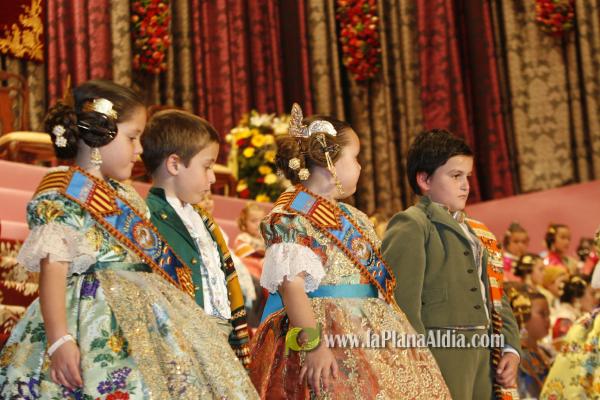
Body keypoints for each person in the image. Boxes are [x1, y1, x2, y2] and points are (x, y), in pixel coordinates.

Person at [0, 81, 257, 399]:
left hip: (147, 315)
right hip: (91, 317)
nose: (139, 150)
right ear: (99, 134)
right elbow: (53, 271)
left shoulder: (127, 195)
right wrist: (59, 339)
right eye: (132, 137)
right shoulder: (63, 192)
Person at [249, 104, 451, 399]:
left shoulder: (354, 216)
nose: (360, 167)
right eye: (355, 158)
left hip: (371, 332)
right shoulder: (292, 217)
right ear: (329, 162)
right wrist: (314, 346)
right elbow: (291, 287)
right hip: (327, 333)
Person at [382, 129, 521, 399]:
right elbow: (400, 304)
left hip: (485, 355)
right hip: (440, 355)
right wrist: (418, 361)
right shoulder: (413, 223)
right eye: (456, 176)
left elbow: (496, 296)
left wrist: (510, 348)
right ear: (424, 179)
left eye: (467, 176)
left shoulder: (477, 231)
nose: (466, 186)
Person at [141, 110, 253, 367]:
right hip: (182, 349)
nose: (212, 177)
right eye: (207, 166)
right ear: (174, 164)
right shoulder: (147, 218)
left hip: (220, 346)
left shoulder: (203, 220)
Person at [506, 285, 553, 399]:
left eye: (548, 314)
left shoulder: (544, 350)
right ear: (522, 316)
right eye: (542, 314)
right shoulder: (518, 356)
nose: (548, 319)